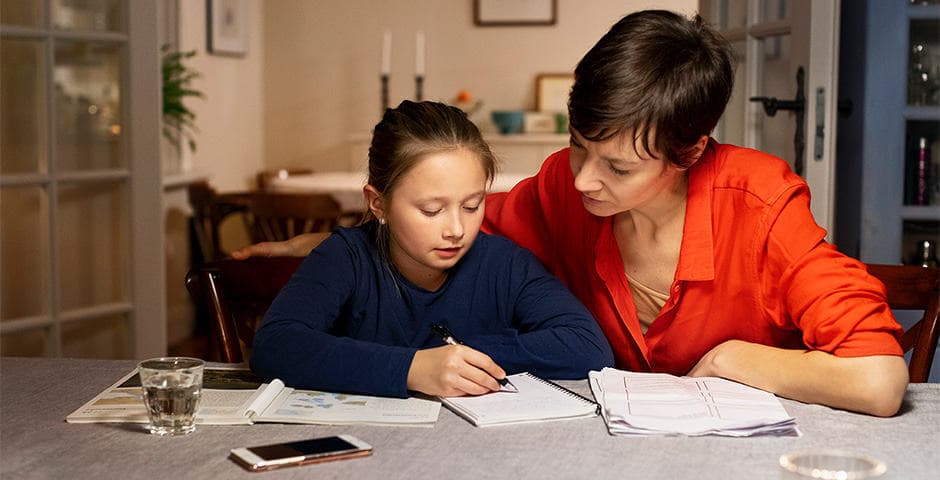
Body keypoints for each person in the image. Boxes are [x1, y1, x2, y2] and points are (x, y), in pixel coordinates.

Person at [236, 10, 909, 416]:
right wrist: (330, 239)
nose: (584, 179)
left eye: (617, 167)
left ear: (690, 151)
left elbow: (880, 381)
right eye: (578, 146)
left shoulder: (761, 204)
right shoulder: (565, 185)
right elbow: (457, 216)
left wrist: (735, 358)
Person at [249, 100, 614, 399]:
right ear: (378, 204)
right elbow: (275, 346)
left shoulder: (505, 264)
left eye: (472, 206)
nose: (456, 230)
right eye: (431, 210)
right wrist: (413, 367)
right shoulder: (346, 257)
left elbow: (587, 347)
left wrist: (460, 357)